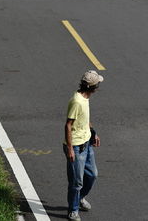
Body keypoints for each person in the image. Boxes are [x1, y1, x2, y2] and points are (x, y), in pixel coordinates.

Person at [64, 70, 103, 221]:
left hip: (86, 144)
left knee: (92, 175)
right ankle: (73, 210)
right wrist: (69, 149)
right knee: (76, 182)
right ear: (93, 87)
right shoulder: (77, 101)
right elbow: (68, 125)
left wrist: (93, 133)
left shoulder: (85, 98)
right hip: (75, 147)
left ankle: (79, 199)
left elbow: (85, 120)